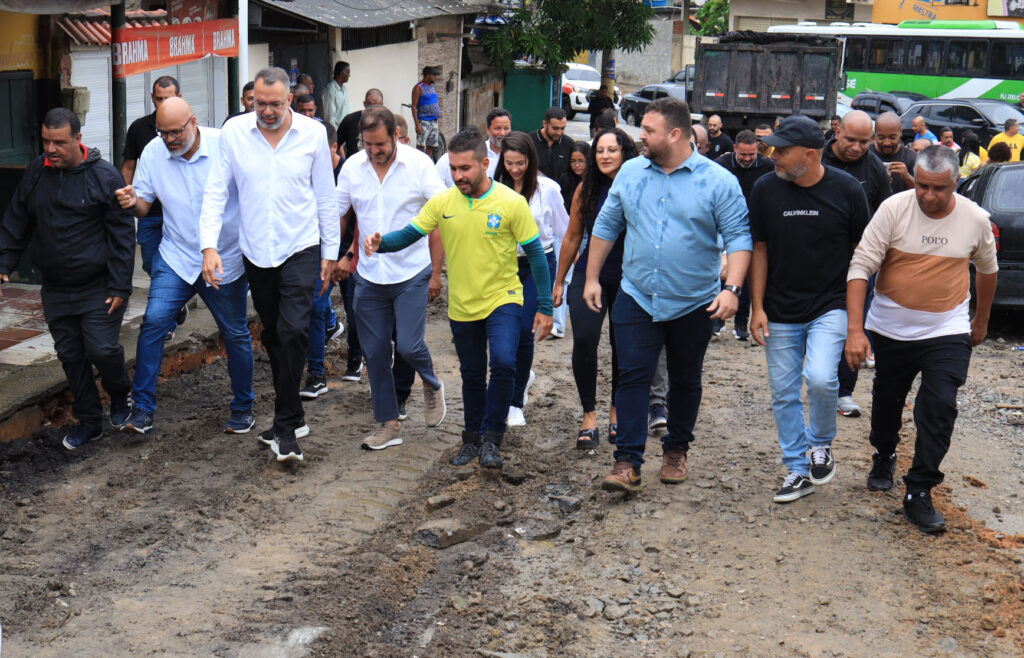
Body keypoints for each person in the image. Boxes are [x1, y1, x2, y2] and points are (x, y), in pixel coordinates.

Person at [584, 97, 751, 492]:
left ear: (675, 134)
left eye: (648, 131)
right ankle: (627, 461)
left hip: (695, 300)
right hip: (637, 294)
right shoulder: (630, 173)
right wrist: (591, 278)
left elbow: (740, 237)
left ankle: (676, 447)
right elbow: (607, 225)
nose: (640, 137)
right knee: (631, 376)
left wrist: (732, 289)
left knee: (685, 377)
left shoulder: (718, 181)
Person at [364, 129, 553, 470]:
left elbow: (537, 255)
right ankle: (471, 438)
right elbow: (413, 232)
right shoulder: (443, 202)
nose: (458, 176)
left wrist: (544, 306)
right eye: (452, 168)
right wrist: (383, 244)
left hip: (504, 298)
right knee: (471, 373)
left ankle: (493, 438)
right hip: (463, 305)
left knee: (505, 363)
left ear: (484, 163)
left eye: (465, 168)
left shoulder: (511, 203)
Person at [845, 145, 998, 533]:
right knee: (887, 401)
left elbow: (987, 269)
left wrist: (980, 321)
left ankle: (919, 490)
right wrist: (856, 330)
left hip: (946, 328)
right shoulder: (894, 209)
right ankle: (884, 451)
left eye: (939, 189)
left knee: (939, 406)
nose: (929, 196)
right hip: (891, 326)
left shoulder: (975, 218)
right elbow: (861, 265)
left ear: (956, 183)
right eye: (923, 187)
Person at [200, 67, 340, 463]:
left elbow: (326, 199)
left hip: (301, 246)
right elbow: (215, 193)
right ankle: (291, 414)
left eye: (275, 104)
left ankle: (284, 431)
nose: (266, 111)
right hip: (256, 251)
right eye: (260, 103)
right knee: (275, 334)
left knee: (295, 329)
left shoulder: (312, 135)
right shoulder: (234, 134)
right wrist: (209, 247)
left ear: (289, 100)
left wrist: (330, 253)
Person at [748, 115, 872, 503]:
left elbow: (862, 256)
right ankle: (797, 470)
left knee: (820, 378)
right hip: (779, 309)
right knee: (783, 392)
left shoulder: (848, 190)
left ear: (811, 154)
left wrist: (857, 321)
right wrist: (756, 307)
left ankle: (820, 444)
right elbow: (760, 249)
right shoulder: (765, 189)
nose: (774, 157)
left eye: (782, 152)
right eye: (773, 149)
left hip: (829, 304)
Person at [113, 97, 255, 435]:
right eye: (163, 133)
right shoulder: (153, 151)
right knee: (153, 324)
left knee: (235, 333)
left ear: (193, 122)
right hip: (176, 255)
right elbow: (145, 207)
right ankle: (143, 410)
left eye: (176, 132)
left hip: (224, 257)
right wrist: (133, 203)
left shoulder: (225, 146)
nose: (170, 140)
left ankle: (243, 407)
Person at [0, 108, 135, 450]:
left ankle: (121, 396)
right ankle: (90, 422)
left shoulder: (105, 178)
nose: (51, 149)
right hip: (56, 288)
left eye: (58, 142)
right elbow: (17, 219)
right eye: (46, 141)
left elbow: (121, 236)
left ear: (77, 139)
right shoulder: (36, 173)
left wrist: (120, 285)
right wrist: (5, 262)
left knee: (102, 349)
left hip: (98, 286)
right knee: (71, 356)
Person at [335, 105, 448, 450]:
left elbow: (442, 217)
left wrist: (437, 273)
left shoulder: (420, 166)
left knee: (411, 345)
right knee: (375, 352)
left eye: (379, 145)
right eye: (367, 145)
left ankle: (430, 383)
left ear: (396, 136)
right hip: (369, 276)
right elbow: (336, 214)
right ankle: (389, 424)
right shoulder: (353, 168)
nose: (373, 152)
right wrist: (335, 256)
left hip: (411, 271)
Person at [554, 129, 638, 449]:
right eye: (599, 151)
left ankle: (617, 410)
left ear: (624, 153)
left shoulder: (637, 186)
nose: (604, 156)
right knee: (585, 339)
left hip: (630, 278)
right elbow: (573, 237)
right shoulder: (585, 190)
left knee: (623, 345)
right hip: (590, 274)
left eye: (612, 150)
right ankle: (589, 414)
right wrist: (560, 281)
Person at [494, 131, 569, 427]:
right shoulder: (494, 187)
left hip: (538, 263)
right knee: (504, 331)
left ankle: (515, 402)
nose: (514, 169)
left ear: (530, 160)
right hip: (503, 265)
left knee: (526, 329)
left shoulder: (548, 189)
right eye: (509, 163)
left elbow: (564, 229)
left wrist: (562, 277)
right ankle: (520, 378)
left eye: (520, 163)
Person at [821, 109, 893, 419]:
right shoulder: (816, 157)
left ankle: (843, 392)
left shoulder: (874, 168)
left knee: (856, 324)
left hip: (859, 260)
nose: (857, 147)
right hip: (816, 257)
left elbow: (886, 213)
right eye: (851, 139)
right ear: (837, 131)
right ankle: (817, 379)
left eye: (865, 141)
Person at [715, 129, 775, 341]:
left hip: (753, 226)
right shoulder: (720, 165)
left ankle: (741, 324)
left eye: (752, 155)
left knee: (747, 278)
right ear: (735, 149)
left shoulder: (768, 166)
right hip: (724, 225)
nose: (748, 159)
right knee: (722, 272)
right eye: (743, 155)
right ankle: (717, 319)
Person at [553, 140, 590, 339]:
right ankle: (558, 324)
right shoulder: (564, 181)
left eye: (581, 161)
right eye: (574, 161)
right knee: (564, 276)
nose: (577, 165)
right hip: (566, 231)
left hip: (588, 233)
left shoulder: (594, 183)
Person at [435, 108, 509, 186]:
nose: (502, 133)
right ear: (488, 130)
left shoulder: (515, 154)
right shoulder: (447, 159)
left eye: (506, 128)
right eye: (497, 128)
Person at [870, 111, 917, 194]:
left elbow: (921, 192)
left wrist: (907, 177)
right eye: (881, 137)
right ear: (875, 133)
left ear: (900, 132)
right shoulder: (866, 154)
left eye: (892, 138)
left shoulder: (912, 158)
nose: (886, 143)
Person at [531, 107, 573, 181]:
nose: (559, 133)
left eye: (562, 128)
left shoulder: (569, 144)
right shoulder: (529, 142)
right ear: (544, 124)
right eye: (555, 128)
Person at [339, 88, 384, 158]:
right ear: (364, 104)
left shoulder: (386, 122)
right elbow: (335, 144)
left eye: (378, 107)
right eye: (371, 107)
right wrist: (342, 162)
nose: (374, 111)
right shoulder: (350, 120)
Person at [412, 66, 441, 160]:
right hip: (424, 121)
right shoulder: (418, 88)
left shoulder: (432, 87)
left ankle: (429, 164)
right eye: (434, 75)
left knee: (431, 146)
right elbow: (414, 107)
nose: (436, 78)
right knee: (421, 146)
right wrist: (417, 125)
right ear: (428, 75)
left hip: (434, 121)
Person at [322, 60, 351, 129]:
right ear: (341, 74)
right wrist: (334, 134)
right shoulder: (330, 90)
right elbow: (329, 116)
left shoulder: (344, 88)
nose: (349, 75)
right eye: (348, 73)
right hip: (336, 131)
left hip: (345, 128)